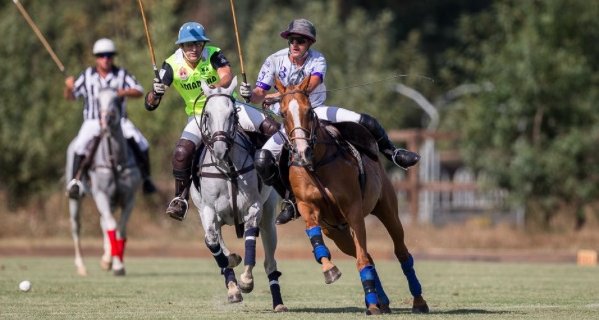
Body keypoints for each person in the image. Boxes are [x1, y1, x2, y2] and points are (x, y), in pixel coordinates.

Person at [239, 18, 421, 224]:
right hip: (290, 122)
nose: (295, 44)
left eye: (301, 40)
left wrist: (275, 96)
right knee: (262, 160)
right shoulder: (274, 60)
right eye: (292, 40)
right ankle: (290, 200)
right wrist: (250, 94)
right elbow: (259, 94)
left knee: (366, 121)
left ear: (310, 43)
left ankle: (394, 153)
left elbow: (309, 87)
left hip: (316, 110)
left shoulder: (318, 59)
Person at [144, 22, 279, 221]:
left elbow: (227, 77)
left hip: (229, 108)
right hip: (200, 116)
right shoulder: (171, 64)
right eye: (188, 44)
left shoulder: (214, 54)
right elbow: (151, 104)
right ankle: (180, 198)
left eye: (198, 44)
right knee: (182, 152)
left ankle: (287, 184)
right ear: (181, 46)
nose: (194, 48)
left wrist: (212, 88)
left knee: (273, 128)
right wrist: (155, 93)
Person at [64, 38, 158, 194]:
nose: (105, 59)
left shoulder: (121, 74)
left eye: (109, 55)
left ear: (113, 57)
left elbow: (139, 90)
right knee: (80, 145)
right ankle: (76, 181)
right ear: (96, 58)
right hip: (93, 121)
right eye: (101, 56)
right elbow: (71, 96)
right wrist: (68, 87)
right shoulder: (87, 75)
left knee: (142, 142)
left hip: (120, 121)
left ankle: (146, 179)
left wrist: (122, 92)